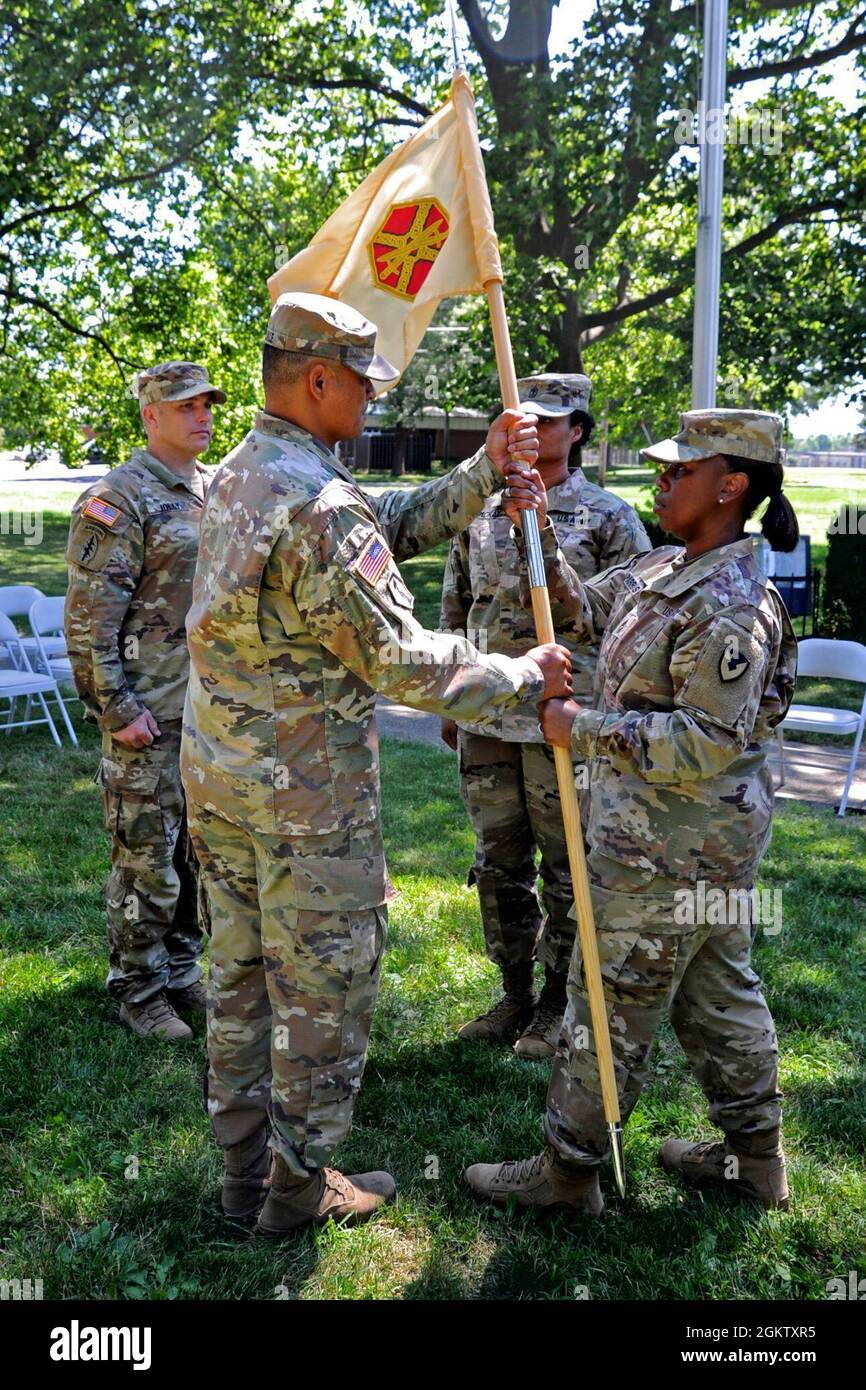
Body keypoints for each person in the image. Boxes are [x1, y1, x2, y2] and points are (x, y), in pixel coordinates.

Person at [181, 292, 573, 1235]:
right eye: (363, 382)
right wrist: (522, 673)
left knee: (237, 981)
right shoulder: (315, 502)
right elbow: (399, 658)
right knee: (323, 989)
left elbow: (381, 523)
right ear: (318, 379)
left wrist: (483, 473)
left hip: (222, 781)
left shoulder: (244, 470)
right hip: (304, 804)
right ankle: (297, 1189)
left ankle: (243, 1175)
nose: (372, 401)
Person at [464, 408, 799, 1217]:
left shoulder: (731, 603)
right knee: (718, 988)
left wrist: (582, 730)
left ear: (731, 487)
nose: (662, 480)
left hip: (671, 848)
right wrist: (533, 521)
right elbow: (577, 610)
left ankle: (569, 1174)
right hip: (684, 842)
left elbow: (707, 741)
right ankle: (756, 1163)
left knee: (607, 1000)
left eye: (680, 471)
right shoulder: (664, 570)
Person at [440, 374, 651, 1057]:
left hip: (564, 714)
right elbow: (456, 600)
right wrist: (452, 692)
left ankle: (560, 1002)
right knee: (497, 862)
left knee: (567, 865)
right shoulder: (480, 506)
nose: (535, 430)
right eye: (524, 418)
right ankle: (514, 993)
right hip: (487, 712)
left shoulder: (610, 517)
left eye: (551, 420)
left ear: (579, 430)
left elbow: (630, 620)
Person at [65, 361, 225, 1041]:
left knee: (195, 857)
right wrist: (118, 710)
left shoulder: (213, 490)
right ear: (150, 415)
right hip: (148, 715)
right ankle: (138, 987)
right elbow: (87, 622)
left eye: (209, 404)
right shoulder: (119, 498)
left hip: (211, 715)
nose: (203, 416)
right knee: (146, 860)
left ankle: (182, 969)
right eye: (186, 406)